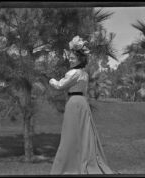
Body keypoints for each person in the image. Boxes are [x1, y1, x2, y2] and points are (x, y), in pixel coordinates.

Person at [49, 36, 115, 175]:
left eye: (73, 57)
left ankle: (68, 165)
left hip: (74, 104)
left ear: (80, 58)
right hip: (83, 103)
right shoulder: (84, 74)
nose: (70, 59)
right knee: (84, 135)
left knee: (70, 135)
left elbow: (60, 86)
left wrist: (51, 80)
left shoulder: (73, 73)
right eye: (71, 57)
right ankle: (81, 160)